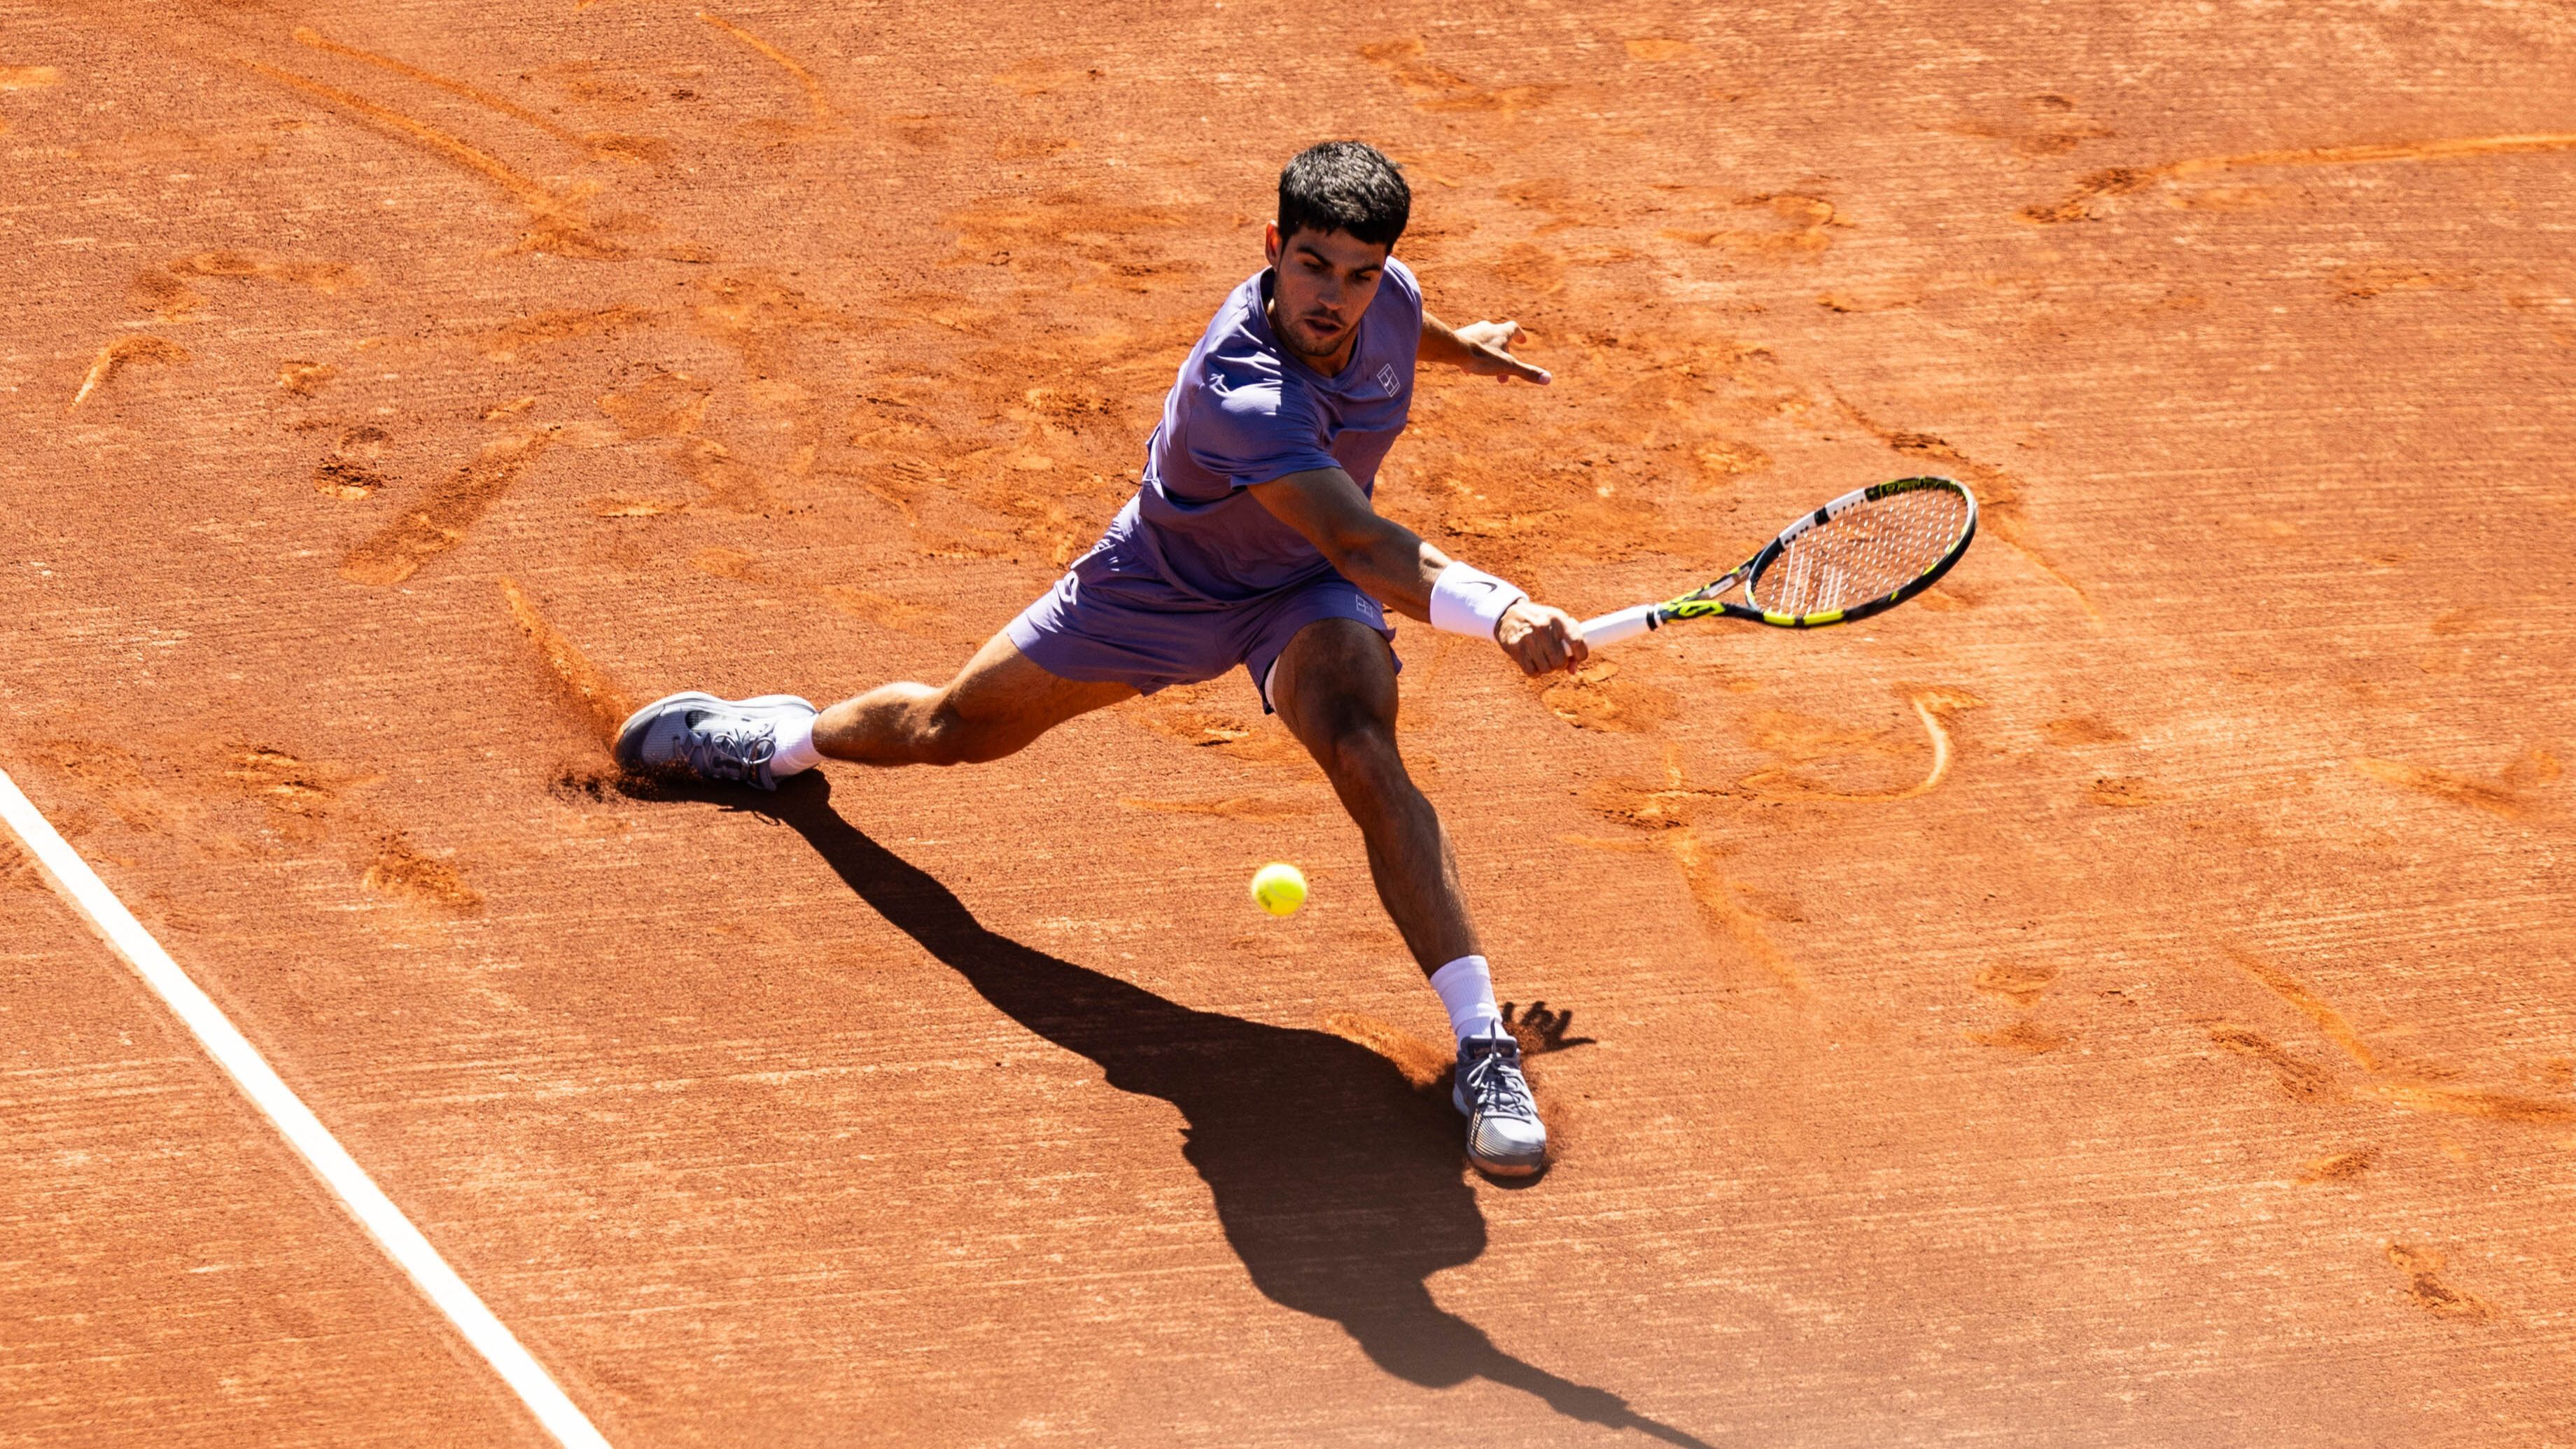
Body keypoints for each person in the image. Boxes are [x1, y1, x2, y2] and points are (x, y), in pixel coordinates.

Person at [619, 141, 1590, 1176]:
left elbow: (1395, 333)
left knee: (1363, 745)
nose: (1335, 299)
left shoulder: (1384, 297)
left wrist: (1462, 349)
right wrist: (1502, 608)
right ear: (1272, 247)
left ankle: (1484, 1046)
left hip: (1301, 589)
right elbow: (1361, 541)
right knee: (953, 729)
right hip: (1163, 583)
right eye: (1312, 266)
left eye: (1359, 274)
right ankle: (781, 742)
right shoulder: (1243, 388)